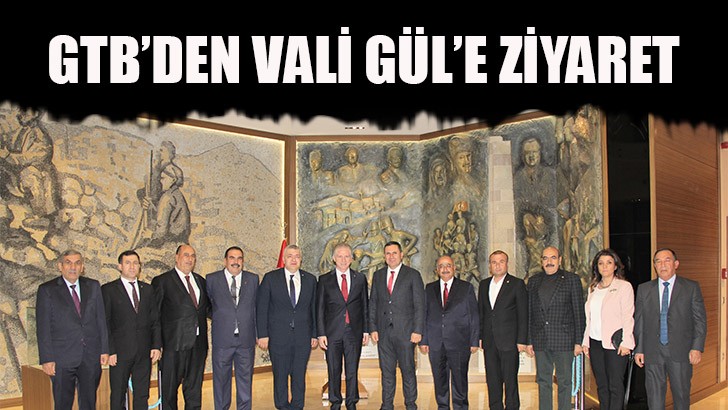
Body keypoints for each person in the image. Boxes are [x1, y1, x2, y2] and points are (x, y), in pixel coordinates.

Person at [35, 249, 109, 410]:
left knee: (89, 403)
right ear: (60, 266)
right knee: (63, 403)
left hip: (90, 356)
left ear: (82, 267)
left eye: (77, 263)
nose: (73, 267)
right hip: (62, 358)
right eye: (68, 263)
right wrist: (46, 359)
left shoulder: (93, 286)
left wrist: (104, 349)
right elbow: (43, 327)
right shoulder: (47, 290)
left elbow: (101, 320)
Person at [634, 248, 707, 410]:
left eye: (667, 260)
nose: (662, 265)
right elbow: (640, 321)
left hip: (681, 351)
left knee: (681, 397)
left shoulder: (690, 287)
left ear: (676, 264)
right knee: (654, 399)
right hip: (653, 352)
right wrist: (639, 349)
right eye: (658, 261)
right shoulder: (644, 289)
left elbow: (700, 320)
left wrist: (697, 347)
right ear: (654, 265)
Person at [256, 244, 318, 410]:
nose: (293, 259)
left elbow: (314, 309)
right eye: (290, 256)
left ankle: (297, 405)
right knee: (280, 374)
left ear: (301, 260)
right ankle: (282, 405)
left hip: (303, 337)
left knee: (299, 374)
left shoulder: (310, 280)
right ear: (283, 259)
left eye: (297, 256)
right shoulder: (270, 278)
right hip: (277, 336)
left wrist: (314, 334)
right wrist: (262, 334)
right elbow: (262, 308)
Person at [525, 246, 585, 410]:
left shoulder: (571, 279)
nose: (549, 261)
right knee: (543, 381)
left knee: (564, 381)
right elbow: (529, 312)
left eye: (553, 258)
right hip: (540, 339)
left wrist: (578, 341)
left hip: (564, 340)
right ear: (541, 261)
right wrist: (529, 340)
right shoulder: (534, 281)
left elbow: (578, 312)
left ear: (560, 260)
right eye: (545, 258)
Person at [152, 244, 210, 409]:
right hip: (173, 345)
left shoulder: (200, 281)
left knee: (194, 390)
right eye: (186, 255)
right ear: (177, 257)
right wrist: (156, 344)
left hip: (198, 344)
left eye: (193, 256)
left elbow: (207, 309)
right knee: (169, 391)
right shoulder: (162, 281)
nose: (190, 259)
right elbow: (154, 316)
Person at [102, 250, 162, 410]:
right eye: (127, 263)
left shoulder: (148, 290)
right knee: (118, 394)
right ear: (120, 266)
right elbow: (105, 323)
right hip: (119, 353)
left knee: (142, 394)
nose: (132, 266)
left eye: (135, 263)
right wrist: (110, 350)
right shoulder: (108, 290)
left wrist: (156, 345)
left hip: (143, 352)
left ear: (140, 266)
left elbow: (155, 320)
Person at [369, 241, 425, 410]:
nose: (391, 256)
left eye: (394, 253)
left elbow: (420, 304)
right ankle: (387, 405)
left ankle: (410, 405)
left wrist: (418, 330)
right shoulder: (378, 275)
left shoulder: (412, 275)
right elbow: (373, 303)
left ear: (401, 255)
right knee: (386, 372)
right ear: (384, 256)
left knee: (408, 371)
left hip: (406, 333)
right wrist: (373, 328)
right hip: (384, 333)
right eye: (388, 253)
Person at [419, 255, 479, 410]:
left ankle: (461, 407)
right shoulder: (429, 288)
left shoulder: (466, 288)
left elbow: (474, 315)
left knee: (460, 381)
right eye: (441, 266)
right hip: (436, 343)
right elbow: (424, 314)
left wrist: (474, 341)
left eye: (448, 265)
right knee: (440, 381)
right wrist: (424, 340)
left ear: (454, 268)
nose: (444, 269)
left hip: (459, 342)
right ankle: (443, 407)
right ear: (437, 270)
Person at [316, 242, 369, 410]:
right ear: (333, 258)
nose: (343, 259)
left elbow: (365, 306)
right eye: (340, 256)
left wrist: (366, 330)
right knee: (334, 369)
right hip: (332, 333)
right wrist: (321, 333)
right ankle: (335, 402)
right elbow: (320, 309)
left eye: (347, 256)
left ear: (352, 259)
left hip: (354, 331)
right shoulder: (324, 280)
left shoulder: (360, 278)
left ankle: (352, 402)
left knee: (352, 369)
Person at [580, 249, 634, 410]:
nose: (605, 266)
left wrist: (627, 342)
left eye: (609, 263)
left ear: (615, 266)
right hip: (595, 343)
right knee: (602, 385)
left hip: (615, 344)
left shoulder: (624, 287)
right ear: (597, 267)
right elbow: (589, 319)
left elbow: (628, 316)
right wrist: (586, 342)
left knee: (615, 385)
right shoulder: (593, 288)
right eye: (601, 263)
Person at [206, 246, 259, 410]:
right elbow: (207, 306)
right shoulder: (212, 279)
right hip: (222, 339)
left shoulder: (253, 279)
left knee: (245, 381)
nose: (236, 262)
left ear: (243, 261)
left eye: (239, 258)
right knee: (221, 381)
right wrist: (222, 316)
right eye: (232, 258)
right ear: (225, 260)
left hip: (246, 339)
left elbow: (257, 307)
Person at [478, 250, 528, 410]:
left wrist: (522, 340)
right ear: (490, 265)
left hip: (510, 341)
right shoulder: (484, 284)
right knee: (492, 380)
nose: (497, 265)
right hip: (490, 341)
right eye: (494, 262)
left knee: (510, 381)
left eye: (501, 262)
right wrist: (480, 336)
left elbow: (523, 314)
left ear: (507, 264)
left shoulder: (517, 284)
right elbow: (481, 313)